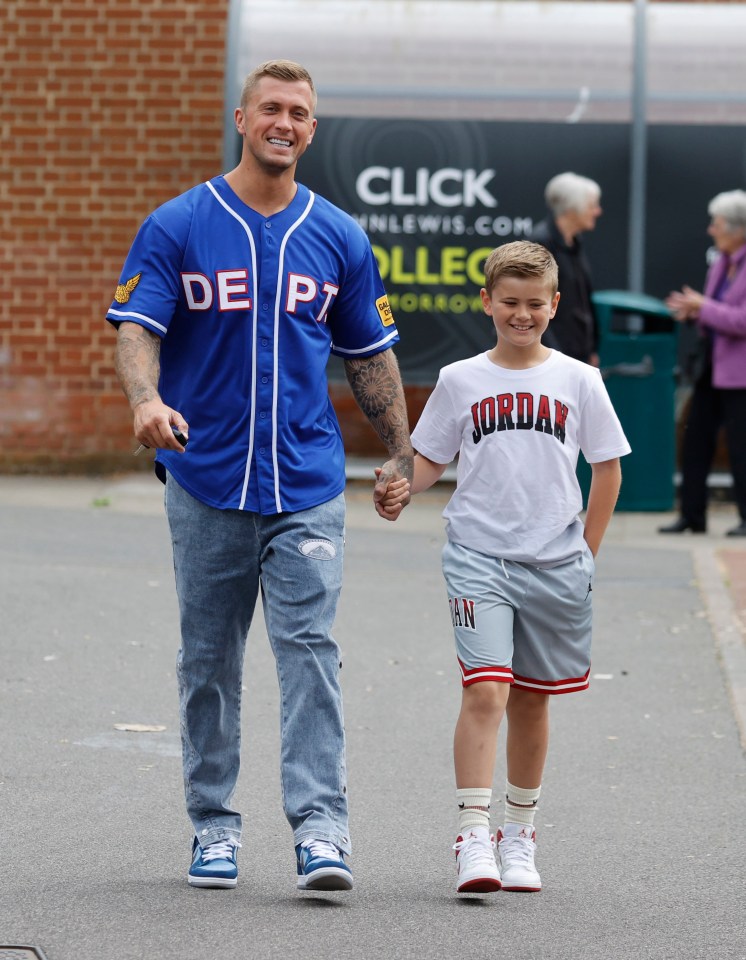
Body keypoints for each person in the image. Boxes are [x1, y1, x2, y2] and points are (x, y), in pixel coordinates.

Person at [107, 59, 413, 891]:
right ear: (242, 119)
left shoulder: (340, 236)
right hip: (205, 479)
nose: (285, 121)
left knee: (309, 650)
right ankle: (213, 825)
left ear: (312, 131)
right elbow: (138, 327)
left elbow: (371, 356)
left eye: (301, 113)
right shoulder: (178, 223)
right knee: (208, 658)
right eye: (271, 108)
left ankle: (322, 828)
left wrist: (399, 453)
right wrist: (145, 401)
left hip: (307, 483)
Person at [375, 241, 630, 894]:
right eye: (509, 303)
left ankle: (520, 834)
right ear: (487, 303)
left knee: (533, 701)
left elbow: (607, 470)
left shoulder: (580, 379)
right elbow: (429, 458)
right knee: (486, 689)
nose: (522, 315)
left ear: (554, 305)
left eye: (534, 305)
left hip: (556, 564)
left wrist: (585, 553)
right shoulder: (462, 380)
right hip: (478, 558)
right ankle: (472, 834)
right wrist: (402, 481)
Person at [659, 190, 746, 538]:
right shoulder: (722, 262)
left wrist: (703, 307)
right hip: (712, 366)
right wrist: (693, 312)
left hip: (740, 375)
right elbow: (714, 311)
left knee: (741, 447)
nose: (711, 230)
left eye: (718, 224)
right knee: (694, 440)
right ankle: (692, 516)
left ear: (739, 228)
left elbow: (741, 320)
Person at [531, 172, 603, 365]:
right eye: (592, 206)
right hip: (553, 359)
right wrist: (555, 358)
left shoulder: (575, 243)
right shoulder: (541, 243)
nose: (597, 212)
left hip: (577, 356)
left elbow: (583, 302)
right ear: (573, 208)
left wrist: (591, 349)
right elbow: (534, 304)